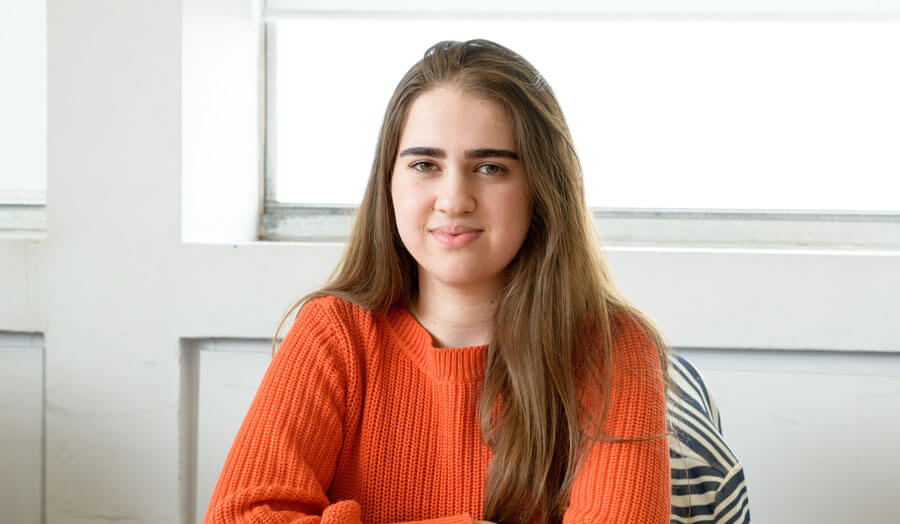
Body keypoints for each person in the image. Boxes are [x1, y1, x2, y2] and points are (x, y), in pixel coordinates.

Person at [204, 39, 671, 524]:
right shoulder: (335, 333)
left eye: (490, 167)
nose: (453, 199)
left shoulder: (612, 349)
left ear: (542, 188)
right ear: (390, 181)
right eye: (425, 164)